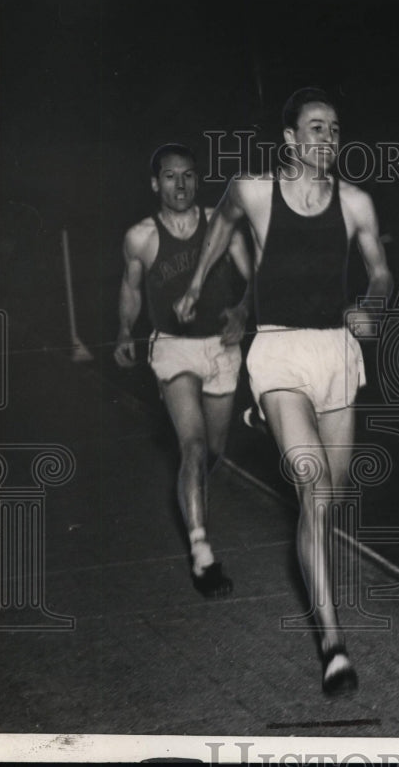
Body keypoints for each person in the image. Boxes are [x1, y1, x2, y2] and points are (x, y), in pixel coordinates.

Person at [173, 88, 393, 695]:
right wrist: (196, 285)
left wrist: (371, 304)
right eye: (316, 128)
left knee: (333, 500)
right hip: (278, 352)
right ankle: (333, 642)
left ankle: (326, 615)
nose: (329, 138)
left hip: (335, 354)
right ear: (291, 140)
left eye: (336, 128)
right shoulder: (253, 190)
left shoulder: (355, 202)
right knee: (314, 490)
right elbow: (219, 228)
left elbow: (379, 270)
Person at [114, 143, 252, 598]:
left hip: (221, 348)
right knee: (191, 446)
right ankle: (202, 553)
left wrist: (242, 313)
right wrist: (123, 332)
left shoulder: (223, 224)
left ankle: (193, 499)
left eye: (189, 176)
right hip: (173, 350)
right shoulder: (141, 236)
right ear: (155, 183)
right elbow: (132, 288)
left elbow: (254, 282)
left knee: (212, 450)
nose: (181, 185)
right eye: (171, 177)